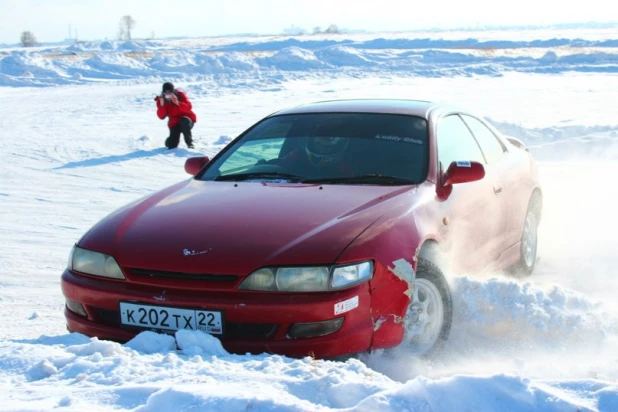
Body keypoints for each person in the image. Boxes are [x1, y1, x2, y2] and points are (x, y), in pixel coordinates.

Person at [155, 82, 197, 149]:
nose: (168, 94)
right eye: (166, 92)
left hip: (187, 120)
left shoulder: (180, 95)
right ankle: (169, 141)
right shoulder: (161, 99)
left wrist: (177, 103)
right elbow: (161, 116)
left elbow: (189, 107)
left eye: (169, 92)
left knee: (184, 121)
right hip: (174, 123)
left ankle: (190, 143)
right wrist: (162, 105)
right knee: (172, 145)